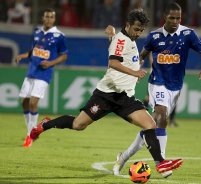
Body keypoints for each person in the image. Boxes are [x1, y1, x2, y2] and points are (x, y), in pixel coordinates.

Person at [30, 9, 183, 175]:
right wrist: (135, 73)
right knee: (78, 125)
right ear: (128, 25)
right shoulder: (122, 40)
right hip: (106, 95)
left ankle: (160, 163)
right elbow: (113, 63)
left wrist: (112, 37)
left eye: (141, 30)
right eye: (136, 29)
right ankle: (46, 124)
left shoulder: (127, 39)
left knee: (150, 124)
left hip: (125, 97)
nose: (138, 33)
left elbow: (118, 49)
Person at [109, 2, 201, 178]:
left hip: (176, 86)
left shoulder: (188, 34)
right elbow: (141, 56)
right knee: (162, 115)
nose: (176, 21)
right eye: (172, 17)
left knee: (154, 125)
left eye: (178, 17)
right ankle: (161, 163)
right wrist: (134, 68)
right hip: (157, 82)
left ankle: (124, 156)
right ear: (165, 17)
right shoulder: (154, 36)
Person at [16, 8, 68, 148]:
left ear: (54, 19)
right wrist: (23, 56)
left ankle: (30, 135)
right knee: (25, 102)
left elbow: (64, 55)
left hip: (44, 74)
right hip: (31, 71)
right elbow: (33, 50)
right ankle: (32, 130)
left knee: (33, 102)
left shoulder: (59, 36)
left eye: (51, 17)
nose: (49, 19)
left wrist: (50, 63)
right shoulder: (37, 32)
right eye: (47, 16)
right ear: (43, 18)